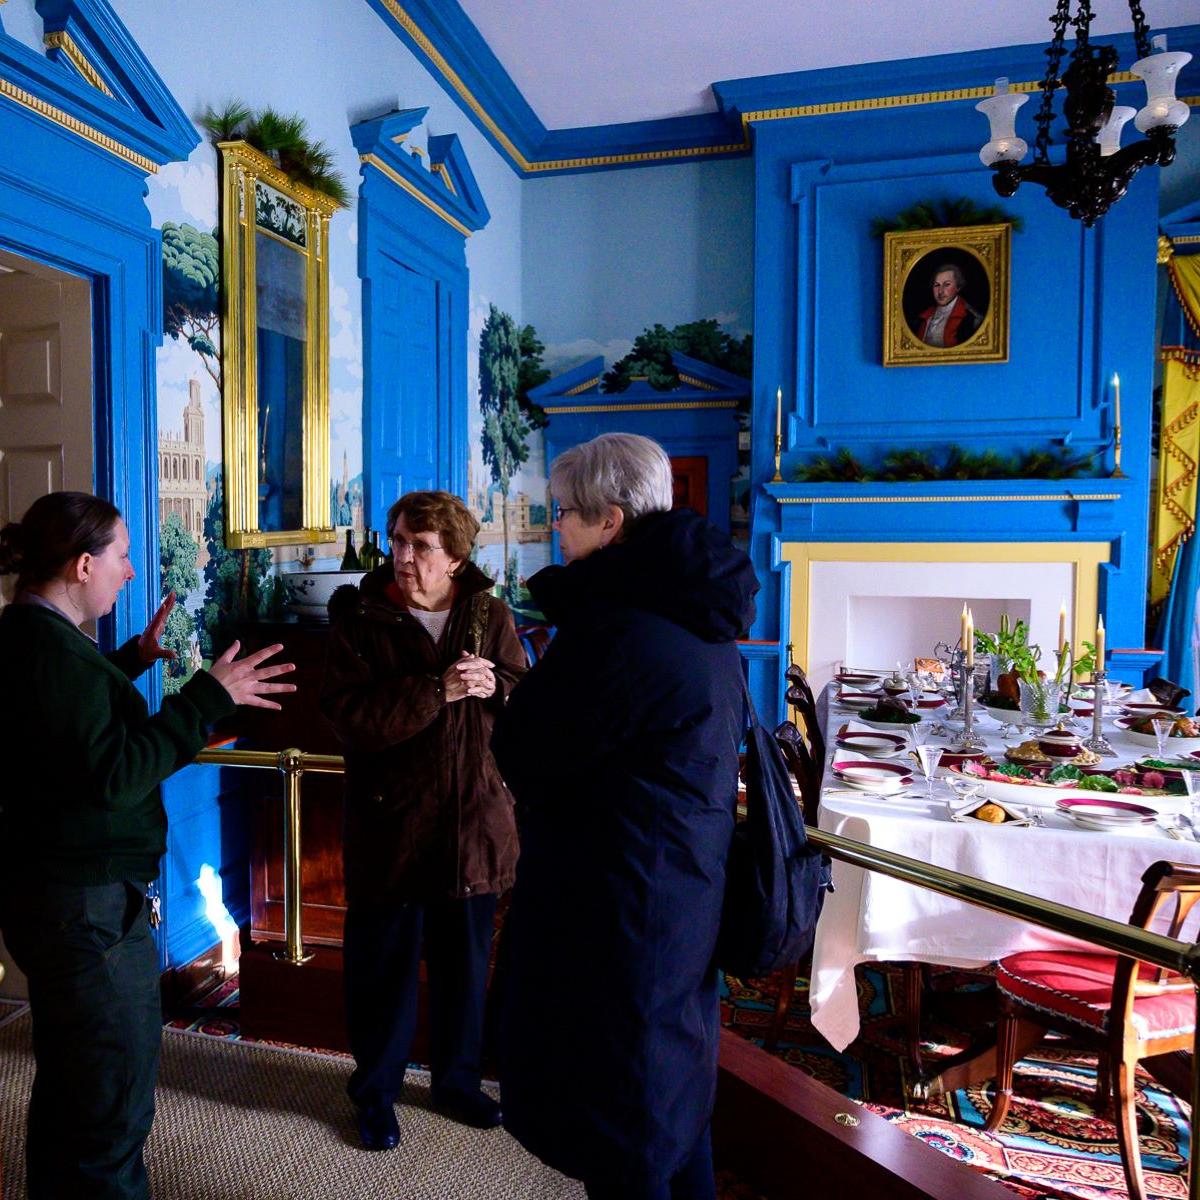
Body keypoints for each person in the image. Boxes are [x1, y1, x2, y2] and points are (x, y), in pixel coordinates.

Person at [0, 490, 296, 1200]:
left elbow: (67, 737)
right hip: (89, 912)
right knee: (110, 1105)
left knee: (75, 1086)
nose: (129, 571)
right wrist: (207, 695)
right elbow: (116, 774)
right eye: (122, 555)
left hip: (58, 899)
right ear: (81, 565)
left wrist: (129, 661)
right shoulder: (50, 653)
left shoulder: (30, 636)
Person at [491, 433, 759, 1200]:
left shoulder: (620, 629)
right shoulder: (698, 612)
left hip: (620, 906)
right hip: (679, 888)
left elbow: (530, 749)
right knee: (676, 1099)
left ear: (611, 522)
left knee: (625, 1120)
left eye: (566, 515)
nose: (557, 531)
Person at [320, 490, 527, 1152]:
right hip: (392, 828)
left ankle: (457, 1083)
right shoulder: (360, 618)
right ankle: (375, 1094)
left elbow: (526, 700)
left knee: (466, 968)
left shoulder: (489, 614)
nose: (403, 557)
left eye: (421, 547)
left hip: (474, 824)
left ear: (456, 556)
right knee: (382, 973)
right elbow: (351, 721)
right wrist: (436, 691)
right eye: (397, 541)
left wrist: (496, 685)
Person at [914, 262, 982, 347]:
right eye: (937, 285)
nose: (940, 291)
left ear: (958, 287)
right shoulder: (923, 318)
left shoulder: (972, 319)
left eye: (947, 284)